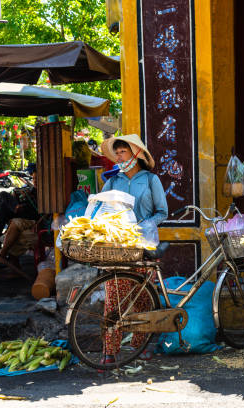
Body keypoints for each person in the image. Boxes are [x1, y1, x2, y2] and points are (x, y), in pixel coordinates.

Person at [99, 133, 168, 365]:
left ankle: (141, 346)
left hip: (143, 246)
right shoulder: (113, 181)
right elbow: (101, 208)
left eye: (123, 152)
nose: (119, 157)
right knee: (113, 301)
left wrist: (146, 224)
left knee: (142, 300)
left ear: (136, 154)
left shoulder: (150, 180)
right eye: (117, 153)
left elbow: (162, 212)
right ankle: (109, 351)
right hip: (117, 247)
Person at [0, 164, 43, 270]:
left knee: (12, 217)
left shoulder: (45, 191)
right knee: (3, 198)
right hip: (25, 212)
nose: (35, 181)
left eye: (37, 179)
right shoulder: (32, 189)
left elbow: (38, 209)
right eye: (33, 178)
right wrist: (20, 196)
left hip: (34, 216)